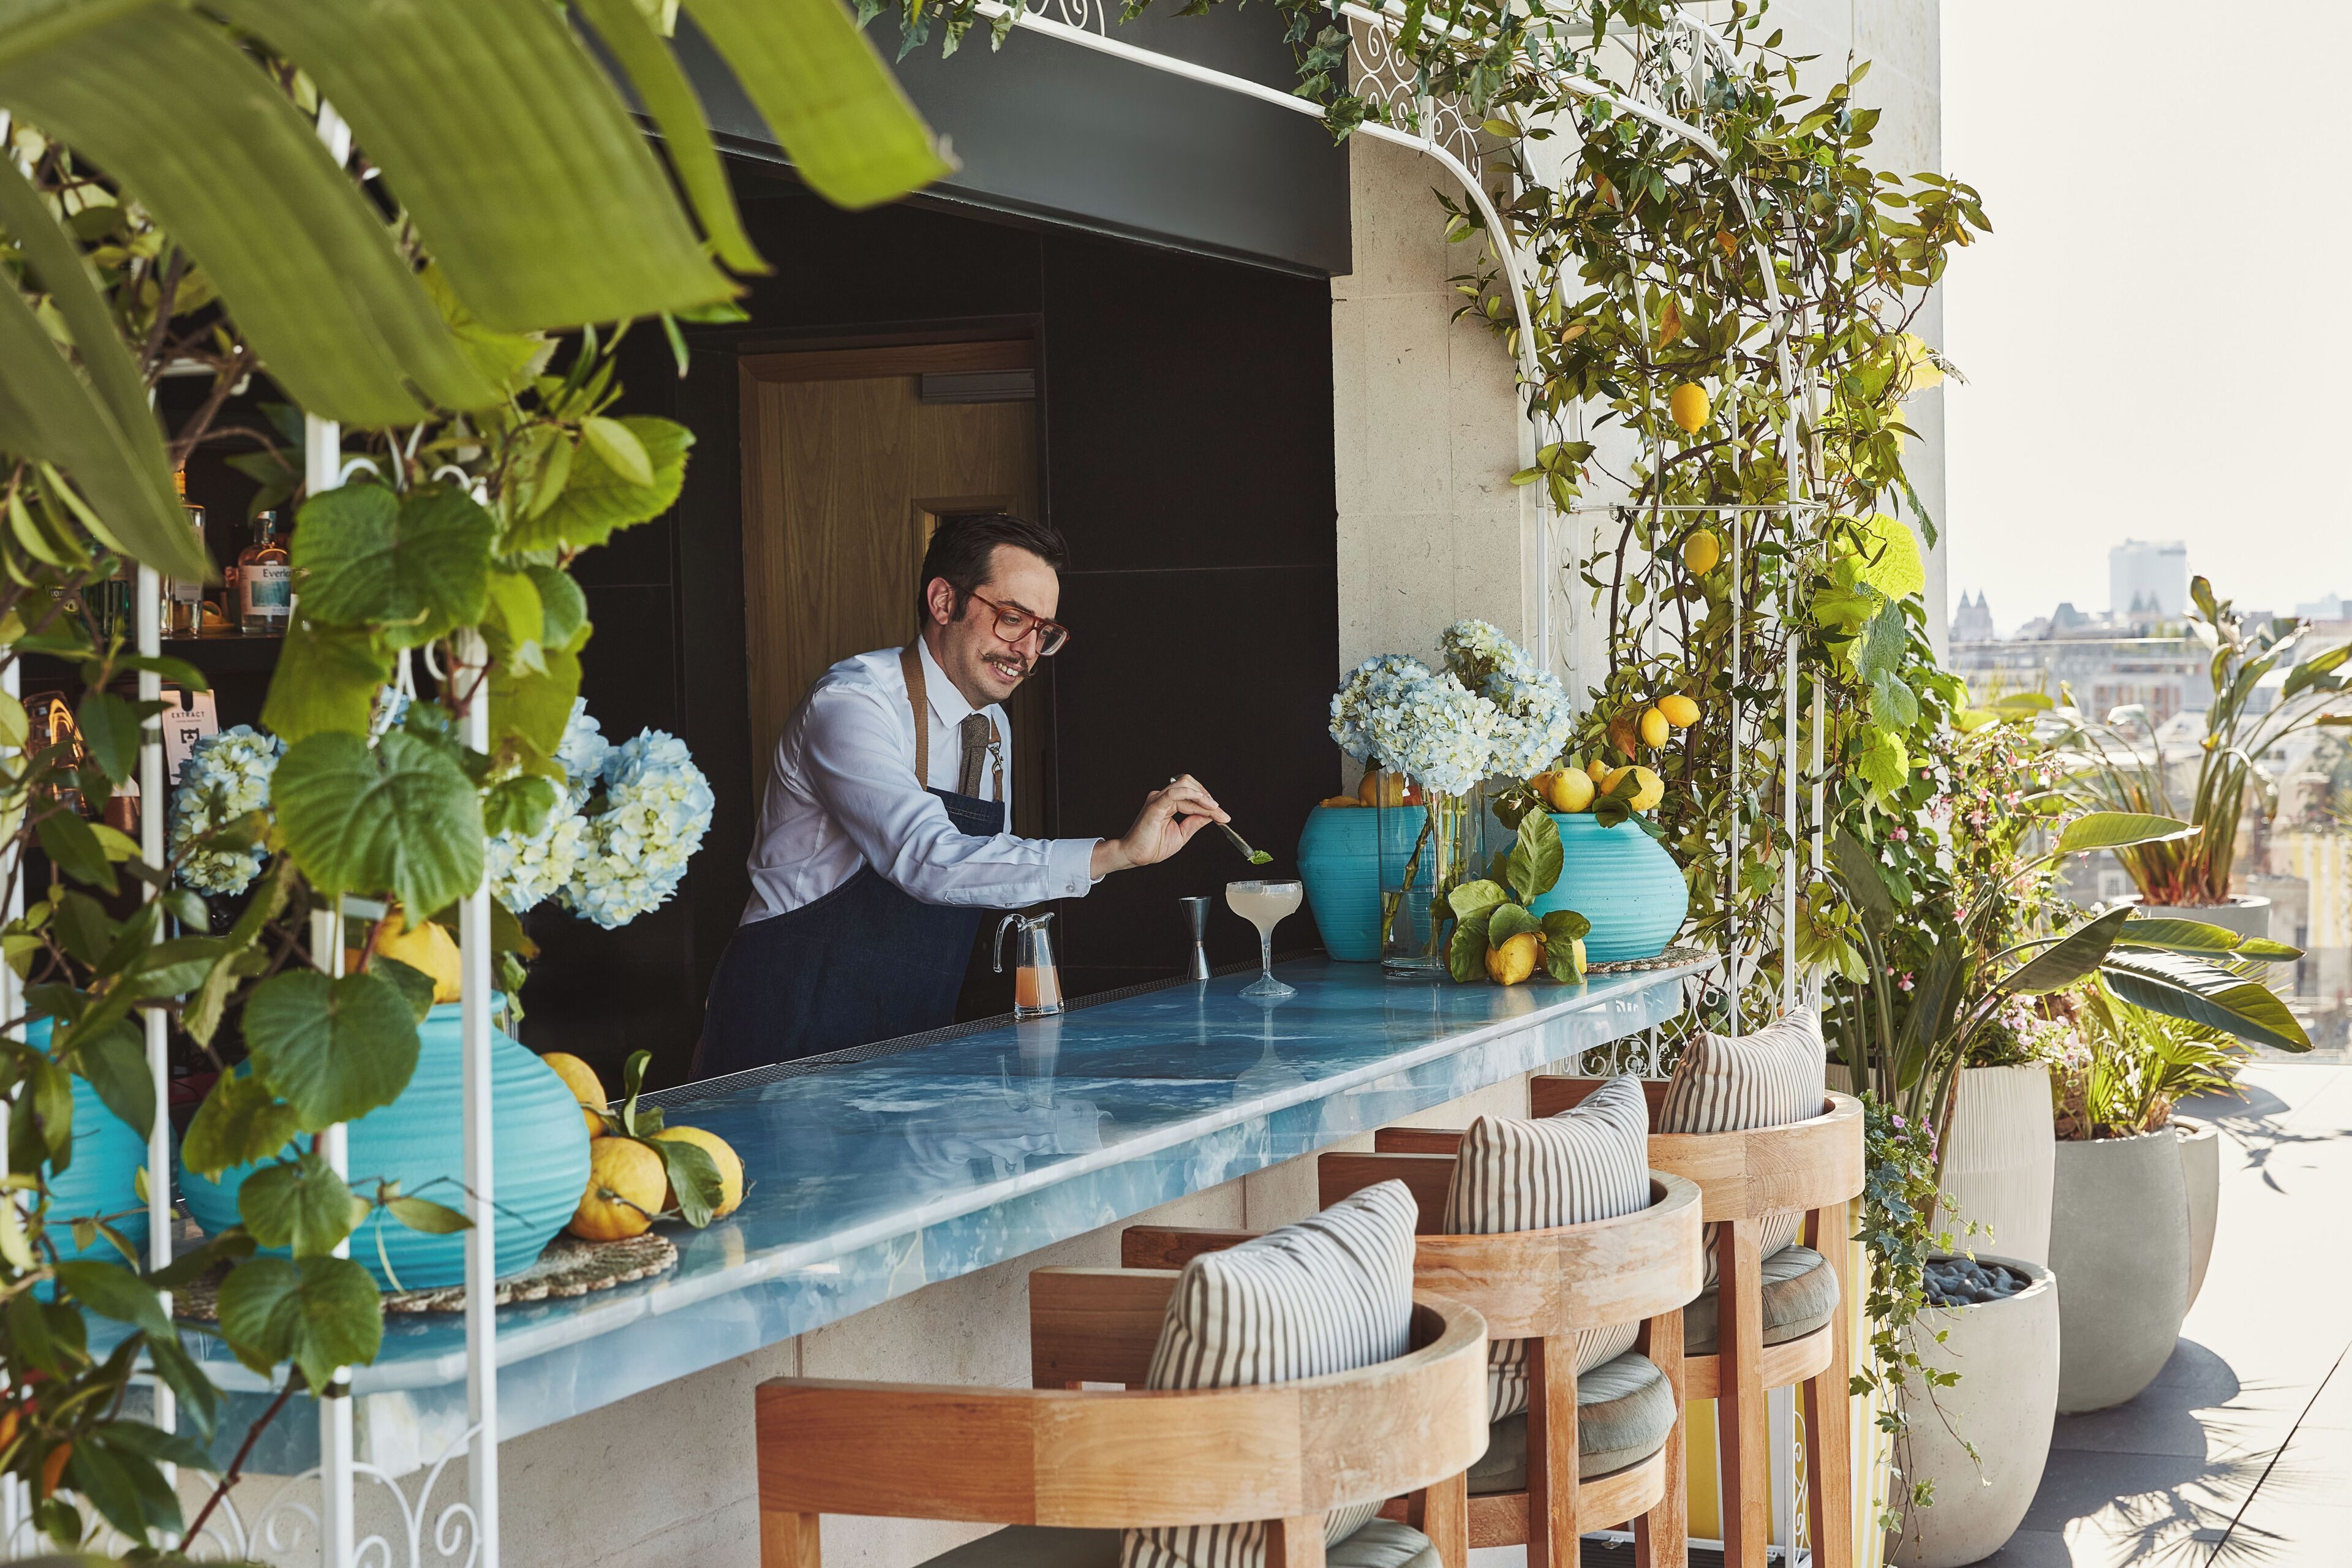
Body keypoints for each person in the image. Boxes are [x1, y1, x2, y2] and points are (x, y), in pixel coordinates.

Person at [695, 513, 1227, 1078]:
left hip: (908, 1039)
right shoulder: (852, 704)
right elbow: (926, 858)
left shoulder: (992, 726)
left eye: (1043, 631)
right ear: (944, 601)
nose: (1026, 650)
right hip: (792, 1028)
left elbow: (979, 874)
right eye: (1012, 619)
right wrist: (1116, 853)